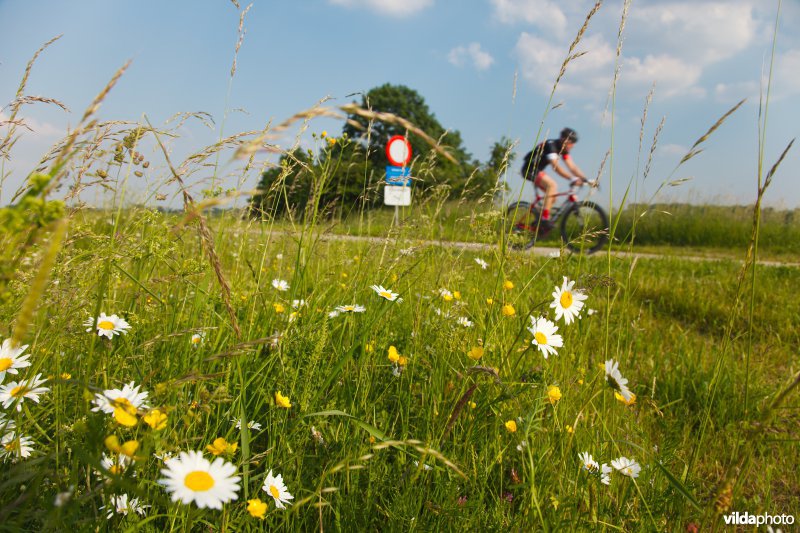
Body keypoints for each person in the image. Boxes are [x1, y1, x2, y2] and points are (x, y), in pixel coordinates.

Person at [520, 127, 588, 230]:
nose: (573, 145)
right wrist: (572, 179)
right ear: (564, 140)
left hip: (538, 170)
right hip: (529, 169)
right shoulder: (551, 145)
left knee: (553, 197)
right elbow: (556, 167)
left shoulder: (563, 150)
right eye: (571, 142)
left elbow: (572, 167)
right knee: (552, 185)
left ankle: (539, 222)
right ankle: (544, 219)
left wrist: (585, 179)